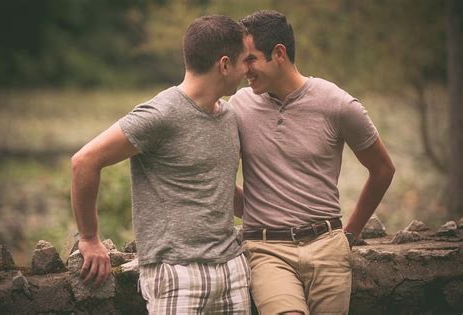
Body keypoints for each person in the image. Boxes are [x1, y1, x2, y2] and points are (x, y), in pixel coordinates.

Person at [71, 15, 251, 314]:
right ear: (224, 65)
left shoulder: (228, 116)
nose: (248, 69)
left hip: (232, 270)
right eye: (245, 60)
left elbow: (215, 185)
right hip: (177, 274)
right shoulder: (160, 114)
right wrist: (89, 238)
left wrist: (274, 217)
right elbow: (84, 161)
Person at [230, 10, 395, 315]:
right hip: (267, 251)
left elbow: (383, 169)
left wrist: (349, 235)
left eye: (250, 59)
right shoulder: (238, 107)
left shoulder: (338, 104)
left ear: (279, 53)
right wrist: (254, 211)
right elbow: (214, 177)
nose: (244, 69)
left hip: (328, 248)